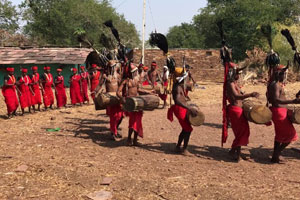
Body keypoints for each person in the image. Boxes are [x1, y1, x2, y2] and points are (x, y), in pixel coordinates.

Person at [226, 63, 259, 161]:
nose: (239, 76)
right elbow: (236, 96)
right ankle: (236, 154)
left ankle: (234, 151)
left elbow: (240, 93)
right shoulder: (230, 84)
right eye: (237, 73)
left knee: (243, 131)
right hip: (235, 110)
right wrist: (250, 94)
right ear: (232, 73)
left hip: (239, 109)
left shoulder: (234, 83)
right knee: (241, 132)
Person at [267, 64, 300, 163]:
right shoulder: (275, 85)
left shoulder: (275, 84)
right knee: (291, 135)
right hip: (279, 112)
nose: (284, 76)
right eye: (283, 74)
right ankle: (276, 154)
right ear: (278, 74)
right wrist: (292, 101)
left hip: (279, 111)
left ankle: (275, 156)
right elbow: (276, 100)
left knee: (279, 135)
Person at [117, 64, 151, 146]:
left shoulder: (137, 79)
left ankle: (135, 140)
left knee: (138, 122)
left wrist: (149, 92)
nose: (136, 73)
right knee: (132, 122)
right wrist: (122, 99)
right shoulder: (126, 81)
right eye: (135, 71)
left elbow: (139, 89)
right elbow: (118, 92)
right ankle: (129, 139)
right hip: (130, 103)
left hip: (138, 102)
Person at [167, 67, 198, 155]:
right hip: (180, 109)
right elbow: (177, 100)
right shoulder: (177, 88)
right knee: (188, 129)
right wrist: (189, 108)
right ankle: (184, 149)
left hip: (181, 109)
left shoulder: (179, 86)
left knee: (185, 129)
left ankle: (178, 147)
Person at [96, 60, 124, 140]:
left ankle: (115, 130)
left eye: (114, 66)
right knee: (113, 117)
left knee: (121, 116)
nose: (112, 68)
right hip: (110, 99)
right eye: (111, 67)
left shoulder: (118, 75)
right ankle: (113, 132)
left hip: (118, 98)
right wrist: (95, 92)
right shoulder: (105, 76)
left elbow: (121, 85)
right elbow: (100, 85)